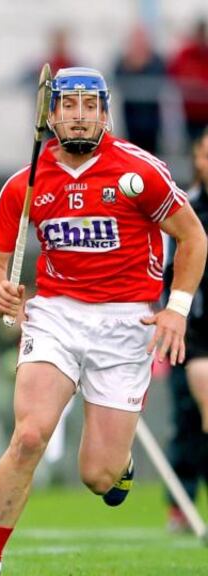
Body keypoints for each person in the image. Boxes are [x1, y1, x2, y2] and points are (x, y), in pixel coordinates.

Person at [0, 67, 207, 576]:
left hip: (127, 325)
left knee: (98, 476)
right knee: (29, 436)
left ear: (105, 113)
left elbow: (194, 237)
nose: (79, 116)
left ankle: (119, 470)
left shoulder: (139, 172)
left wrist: (177, 310)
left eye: (89, 106)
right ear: (51, 114)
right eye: (68, 106)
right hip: (56, 314)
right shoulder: (26, 183)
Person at [166, 127, 208, 530]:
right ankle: (181, 502)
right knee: (191, 418)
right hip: (194, 330)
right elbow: (166, 270)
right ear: (198, 160)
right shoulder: (185, 209)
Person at [113, 25, 166, 154]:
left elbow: (160, 77)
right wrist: (131, 65)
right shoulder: (123, 61)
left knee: (152, 154)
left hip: (152, 119)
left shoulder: (156, 60)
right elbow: (118, 78)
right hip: (131, 118)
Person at [168, 19, 208, 146]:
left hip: (205, 112)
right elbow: (172, 72)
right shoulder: (185, 54)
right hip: (189, 113)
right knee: (193, 146)